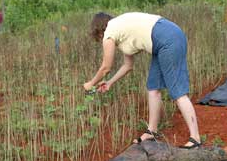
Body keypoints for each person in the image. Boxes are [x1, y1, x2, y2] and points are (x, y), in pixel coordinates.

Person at [83, 12, 201, 148]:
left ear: (99, 31)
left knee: (177, 90)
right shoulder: (121, 30)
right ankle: (152, 131)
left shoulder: (109, 32)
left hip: (168, 39)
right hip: (164, 38)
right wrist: (110, 82)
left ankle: (195, 138)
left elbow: (106, 67)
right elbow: (128, 66)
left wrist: (91, 83)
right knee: (153, 87)